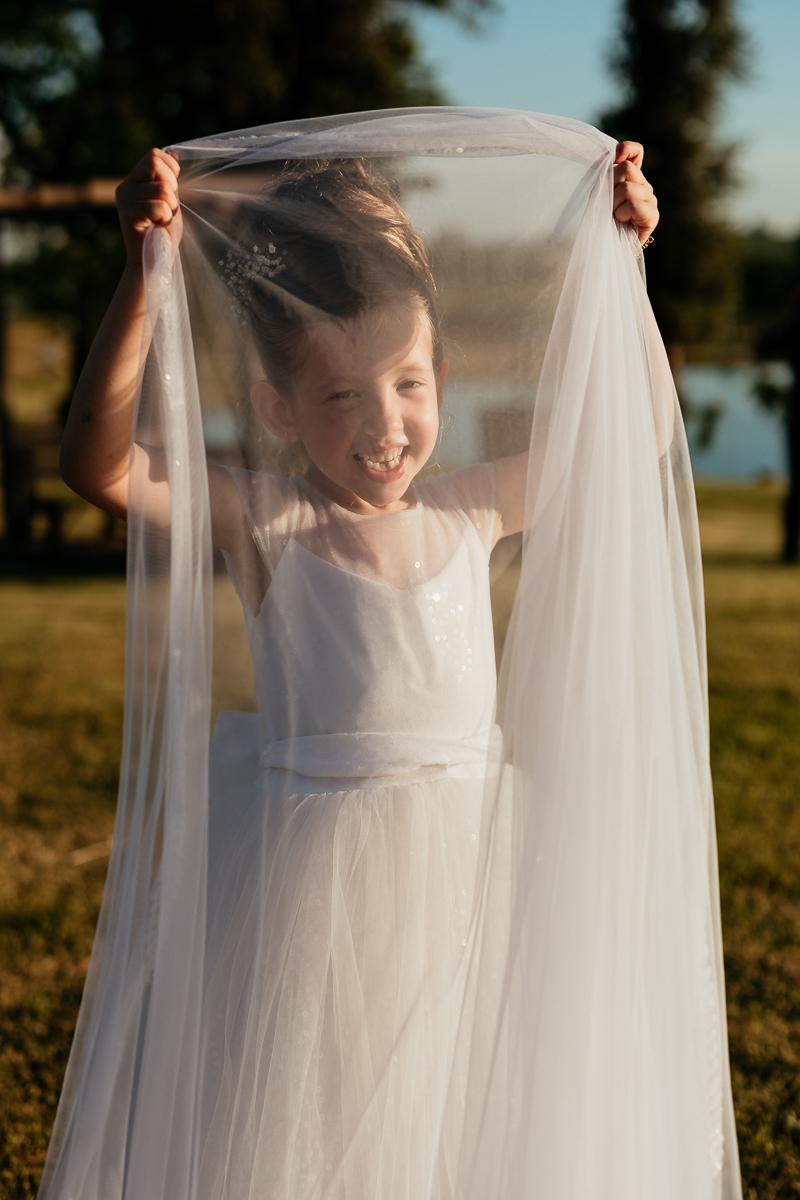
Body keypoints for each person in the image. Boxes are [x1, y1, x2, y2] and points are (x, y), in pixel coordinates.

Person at [47, 110, 738, 1200]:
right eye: (341, 394)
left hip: (473, 870)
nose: (385, 424)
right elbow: (99, 464)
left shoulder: (468, 512)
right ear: (278, 408)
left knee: (466, 1107)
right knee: (319, 1116)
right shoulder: (274, 525)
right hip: (313, 891)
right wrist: (144, 272)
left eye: (408, 385)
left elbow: (635, 430)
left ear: (441, 381)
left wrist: (625, 262)